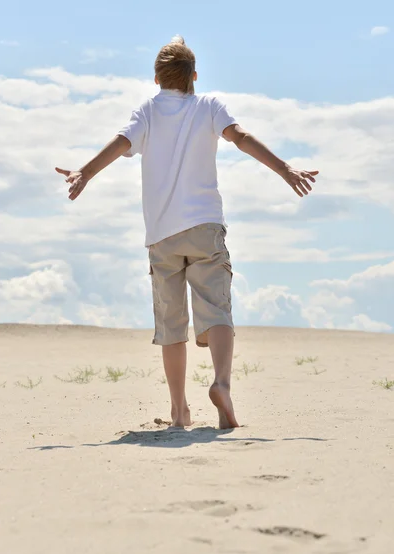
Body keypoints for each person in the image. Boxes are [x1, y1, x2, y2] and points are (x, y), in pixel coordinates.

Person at [56, 35, 318, 429]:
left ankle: (179, 411)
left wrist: (85, 172)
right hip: (204, 227)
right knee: (217, 310)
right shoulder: (209, 107)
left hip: (162, 234)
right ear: (194, 76)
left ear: (156, 77)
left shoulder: (146, 111)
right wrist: (285, 169)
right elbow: (241, 138)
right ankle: (222, 385)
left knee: (172, 325)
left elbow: (122, 142)